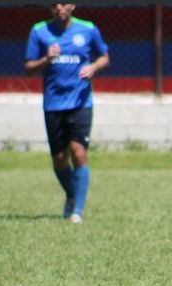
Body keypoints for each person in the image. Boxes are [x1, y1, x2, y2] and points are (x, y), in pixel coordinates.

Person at [24, 4, 110, 224]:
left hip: (81, 102)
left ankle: (77, 211)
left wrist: (93, 67)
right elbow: (28, 68)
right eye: (54, 4)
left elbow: (104, 57)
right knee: (60, 160)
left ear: (73, 5)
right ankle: (72, 194)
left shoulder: (88, 29)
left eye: (64, 3)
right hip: (53, 104)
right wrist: (46, 59)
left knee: (78, 152)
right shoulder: (39, 31)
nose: (59, 8)